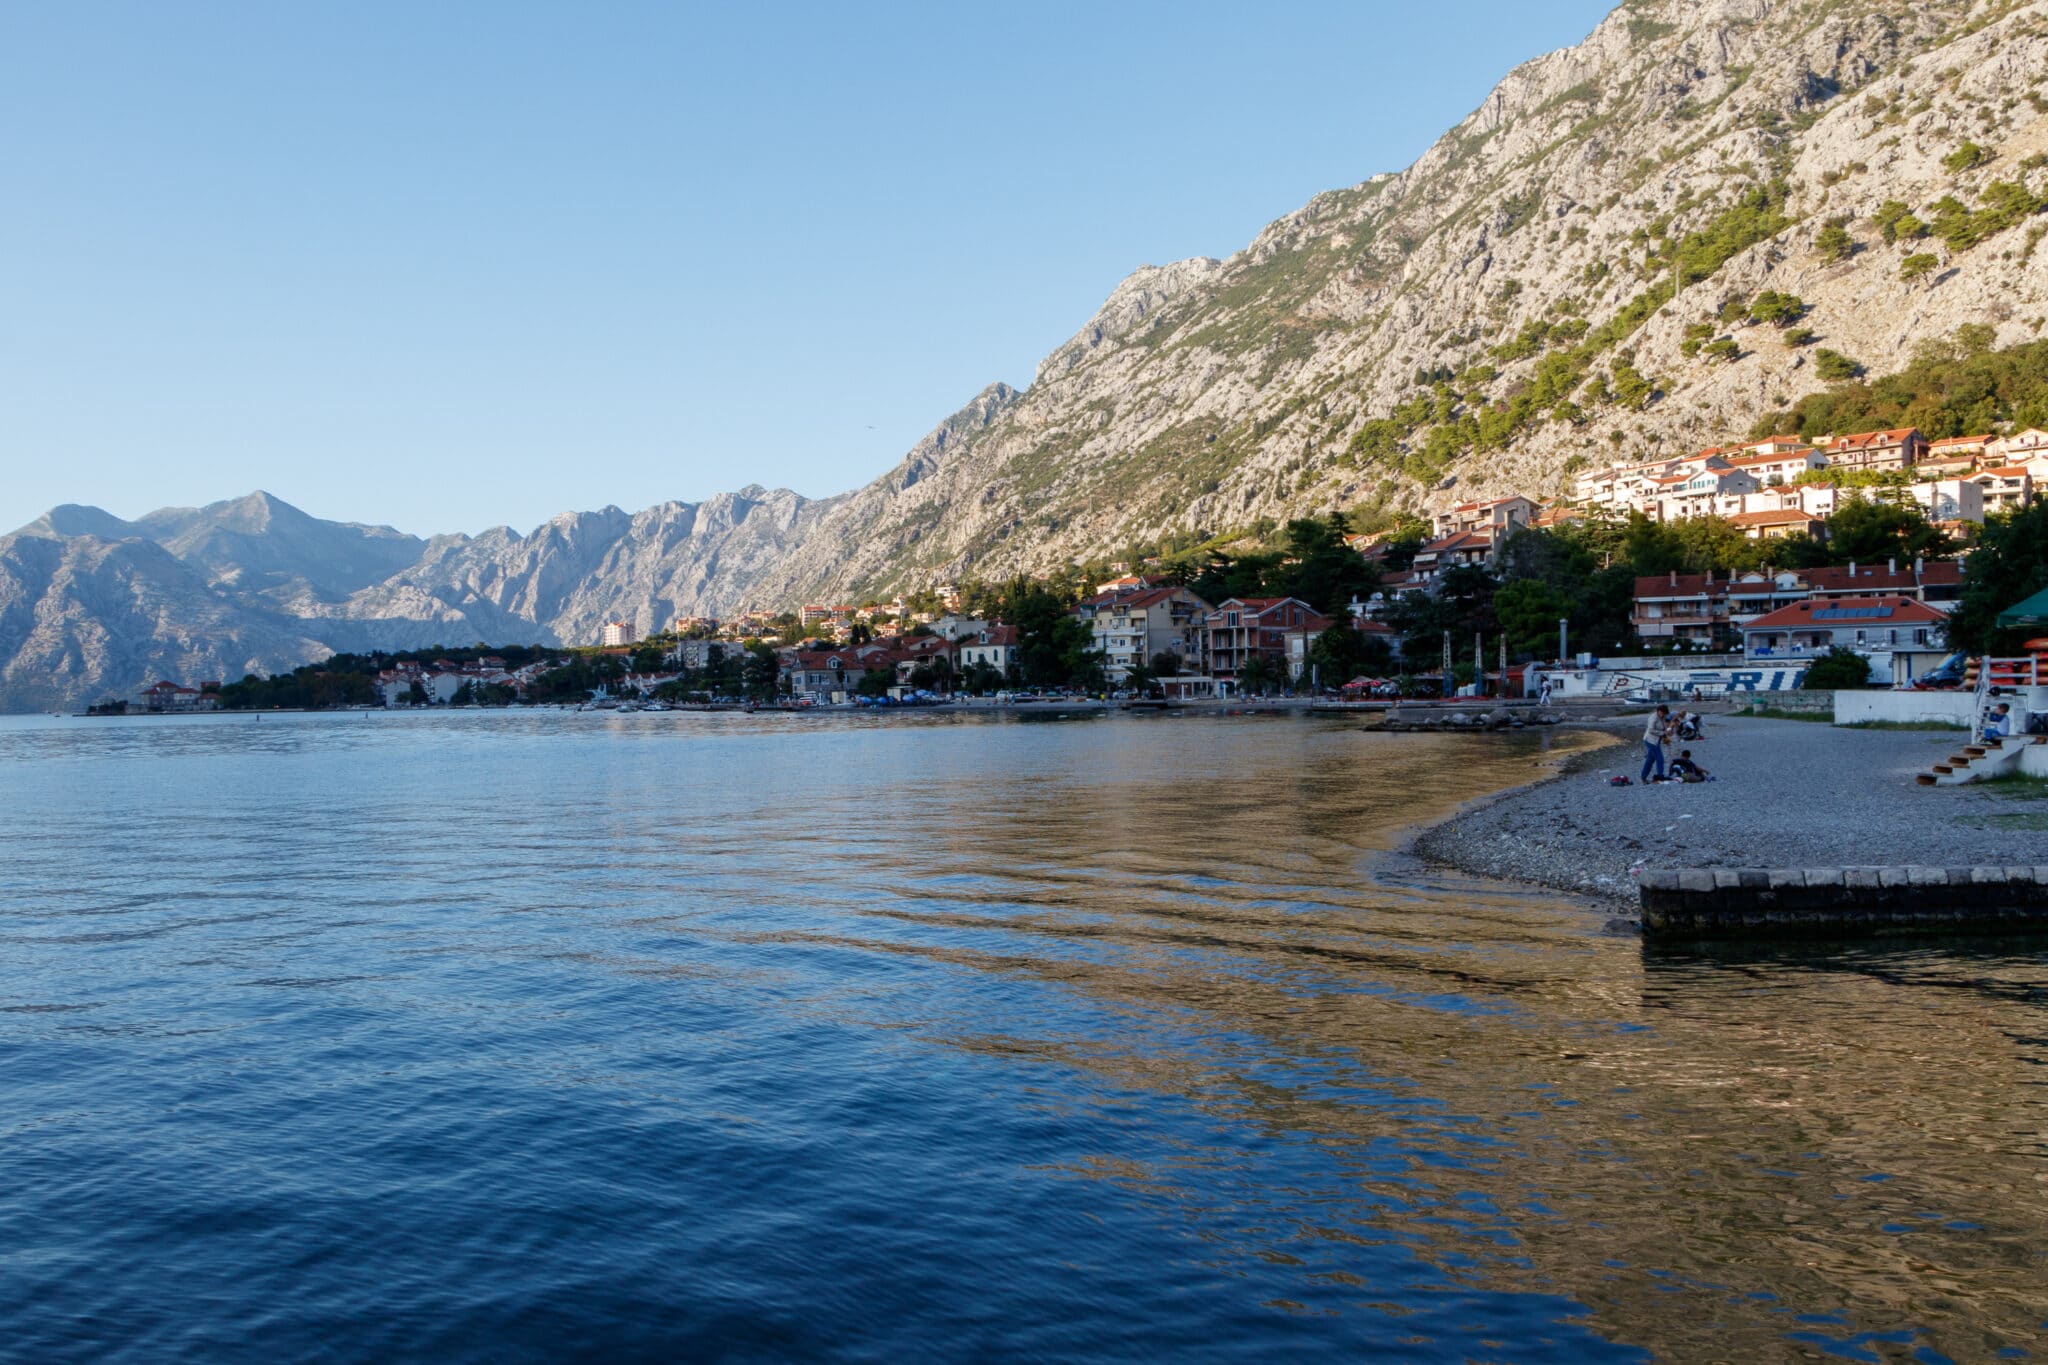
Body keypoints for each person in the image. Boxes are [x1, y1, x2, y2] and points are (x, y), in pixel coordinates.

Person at [1641, 704, 1670, 783]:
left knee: (1650, 760)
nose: (1663, 715)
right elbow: (1651, 730)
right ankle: (1660, 776)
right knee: (1660, 759)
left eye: (1664, 714)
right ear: (1659, 711)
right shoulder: (1653, 718)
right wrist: (1662, 733)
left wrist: (1666, 734)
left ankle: (1643, 777)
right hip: (1650, 740)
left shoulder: (1662, 717)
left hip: (1656, 741)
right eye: (1662, 713)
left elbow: (1664, 727)